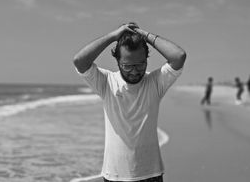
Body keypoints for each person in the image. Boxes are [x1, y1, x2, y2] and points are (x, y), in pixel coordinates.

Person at [73, 22, 186, 182]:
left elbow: (178, 56)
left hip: (150, 174)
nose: (134, 71)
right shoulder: (106, 82)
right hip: (114, 175)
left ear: (146, 60)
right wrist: (113, 36)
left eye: (140, 64)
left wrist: (144, 35)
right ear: (117, 61)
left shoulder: (154, 82)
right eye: (127, 66)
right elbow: (79, 61)